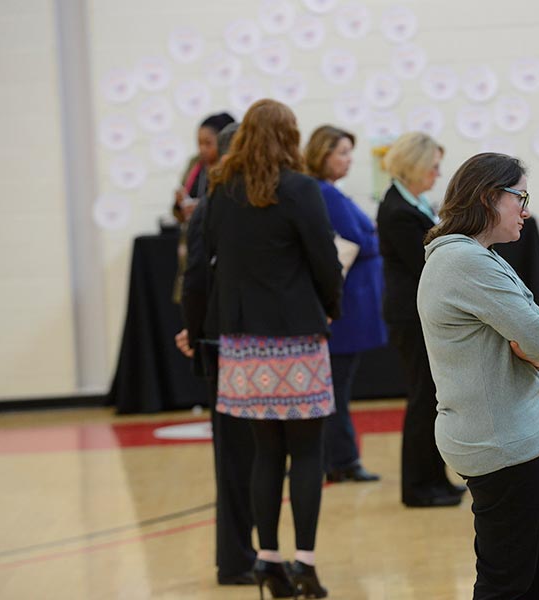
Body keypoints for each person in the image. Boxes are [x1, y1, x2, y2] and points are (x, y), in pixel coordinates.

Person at [204, 99, 342, 599]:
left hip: (243, 342)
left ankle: (266, 561)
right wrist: (330, 305)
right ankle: (303, 562)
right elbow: (325, 258)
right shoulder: (301, 188)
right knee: (307, 452)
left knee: (266, 453)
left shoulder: (221, 189)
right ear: (290, 136)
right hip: (297, 337)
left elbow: (212, 259)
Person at [417, 153, 539, 599]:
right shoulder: (464, 261)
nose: (526, 209)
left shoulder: (476, 254)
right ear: (488, 197)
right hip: (498, 440)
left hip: (516, 431)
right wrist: (534, 349)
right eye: (519, 196)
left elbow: (537, 340)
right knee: (506, 583)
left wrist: (535, 347)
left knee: (538, 563)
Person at [174, 122, 257, 586]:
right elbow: (196, 280)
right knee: (238, 458)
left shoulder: (219, 205)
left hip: (228, 341)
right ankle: (238, 559)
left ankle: (247, 555)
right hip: (229, 344)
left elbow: (196, 281)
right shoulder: (219, 206)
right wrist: (198, 330)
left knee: (245, 458)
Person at [376, 132, 466, 508]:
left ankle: (435, 478)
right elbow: (425, 262)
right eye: (432, 166)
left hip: (418, 313)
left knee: (433, 398)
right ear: (414, 166)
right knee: (423, 398)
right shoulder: (397, 210)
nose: (437, 173)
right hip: (410, 316)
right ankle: (417, 486)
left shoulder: (412, 202)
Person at [304, 125, 386, 483]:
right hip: (347, 306)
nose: (348, 160)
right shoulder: (326, 194)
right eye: (341, 152)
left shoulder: (330, 192)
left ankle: (340, 457)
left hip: (353, 302)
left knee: (339, 384)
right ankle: (341, 459)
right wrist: (374, 236)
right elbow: (363, 240)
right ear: (322, 154)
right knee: (337, 386)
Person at [171, 112, 236, 303]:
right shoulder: (195, 165)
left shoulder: (232, 167)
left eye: (208, 143)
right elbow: (178, 208)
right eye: (199, 143)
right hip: (193, 244)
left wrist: (203, 208)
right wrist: (180, 205)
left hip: (220, 248)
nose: (202, 149)